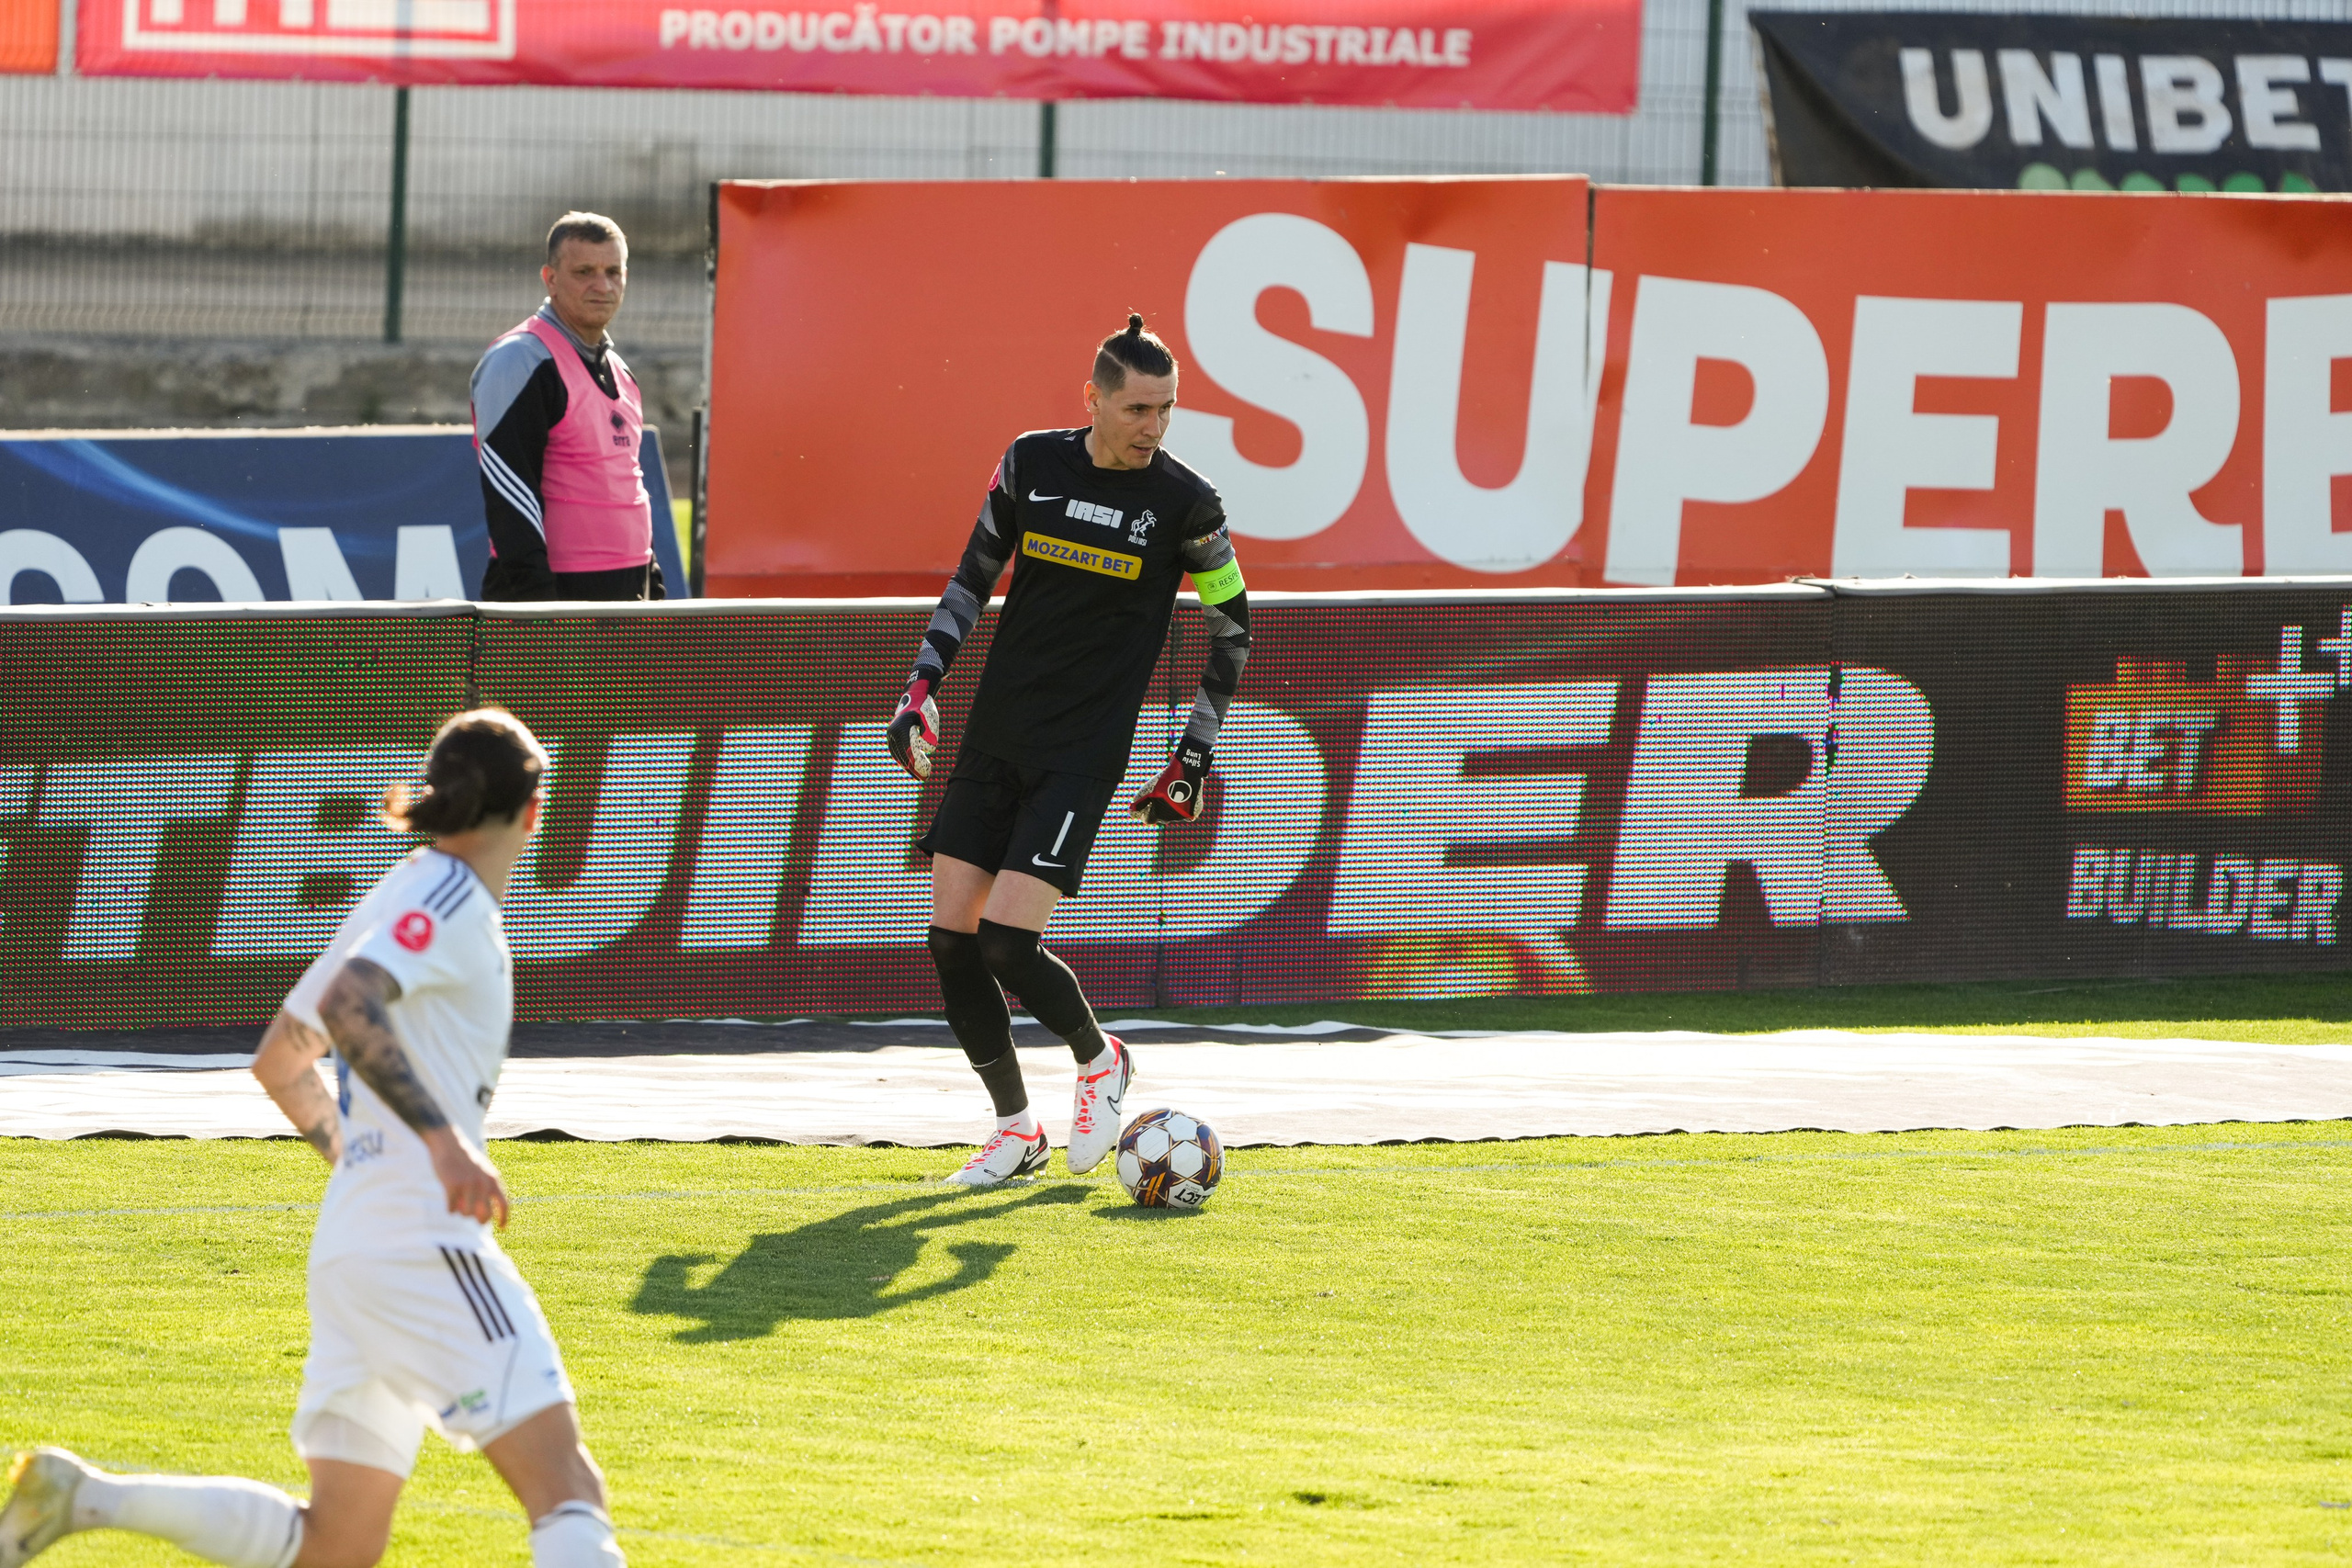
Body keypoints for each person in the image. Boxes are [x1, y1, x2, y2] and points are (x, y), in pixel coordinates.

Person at [0, 711, 626, 1568]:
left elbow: (281, 1060)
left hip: (356, 1247)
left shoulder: (400, 890)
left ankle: (88, 1495)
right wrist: (440, 1146)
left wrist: (365, 1162)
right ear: (533, 812)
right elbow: (345, 1009)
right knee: (568, 1493)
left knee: (336, 1544)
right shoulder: (447, 899)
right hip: (419, 1242)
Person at [887, 313, 1252, 1188]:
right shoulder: (1029, 464)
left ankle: (1100, 1059)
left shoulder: (1187, 501)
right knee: (950, 940)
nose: (1153, 428)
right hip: (996, 733)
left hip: (1084, 752)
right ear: (1090, 398)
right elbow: (972, 577)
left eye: (1166, 410)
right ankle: (1016, 1129)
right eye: (1136, 409)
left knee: (1009, 942)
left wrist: (1191, 757)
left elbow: (1233, 631)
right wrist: (919, 686)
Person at [470, 211, 664, 602]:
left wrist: (652, 583)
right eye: (585, 272)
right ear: (550, 279)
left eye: (614, 271)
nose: (602, 285)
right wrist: (543, 614)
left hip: (628, 596)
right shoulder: (522, 360)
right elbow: (511, 499)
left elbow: (627, 487)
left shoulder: (620, 370)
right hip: (556, 603)